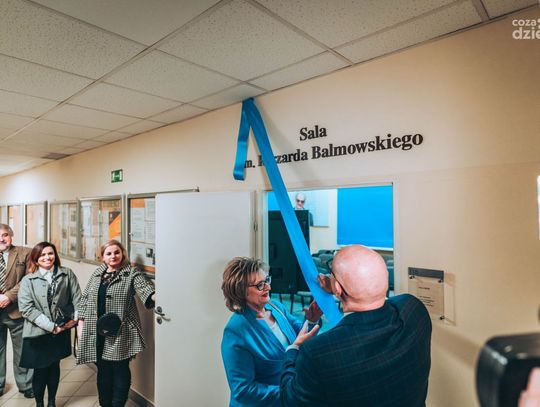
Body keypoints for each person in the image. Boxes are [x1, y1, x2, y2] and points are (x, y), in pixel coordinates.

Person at [280, 245, 432, 407]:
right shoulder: (414, 311)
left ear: (337, 288)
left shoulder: (318, 353)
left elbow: (290, 401)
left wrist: (294, 349)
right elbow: (390, 300)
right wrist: (338, 287)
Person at [220, 257, 321, 407]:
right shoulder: (235, 331)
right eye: (260, 285)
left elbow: (301, 334)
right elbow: (243, 390)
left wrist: (311, 320)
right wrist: (291, 393)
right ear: (241, 291)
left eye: (267, 280)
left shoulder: (276, 307)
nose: (267, 287)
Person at [76, 240, 155, 407]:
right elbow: (85, 299)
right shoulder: (98, 273)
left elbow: (145, 290)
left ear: (122, 254)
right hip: (96, 331)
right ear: (102, 257)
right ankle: (105, 403)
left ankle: (118, 404)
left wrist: (160, 296)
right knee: (103, 370)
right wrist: (80, 325)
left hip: (120, 331)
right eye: (109, 253)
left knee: (120, 369)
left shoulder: (131, 273)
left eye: (117, 252)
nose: (113, 256)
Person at [18, 242, 82, 407]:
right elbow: (26, 309)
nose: (47, 257)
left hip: (62, 329)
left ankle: (52, 402)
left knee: (54, 367)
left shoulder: (67, 274)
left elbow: (78, 299)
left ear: (55, 255)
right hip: (37, 332)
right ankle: (39, 403)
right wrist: (52, 327)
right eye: (42, 255)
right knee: (39, 370)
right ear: (35, 259)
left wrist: (74, 320)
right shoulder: (28, 280)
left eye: (50, 253)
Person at [0, 224, 33, 398]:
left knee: (21, 350)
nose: (1, 239)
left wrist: (9, 296)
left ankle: (26, 385)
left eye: (5, 235)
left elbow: (29, 278)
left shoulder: (25, 253)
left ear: (11, 236)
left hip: (16, 310)